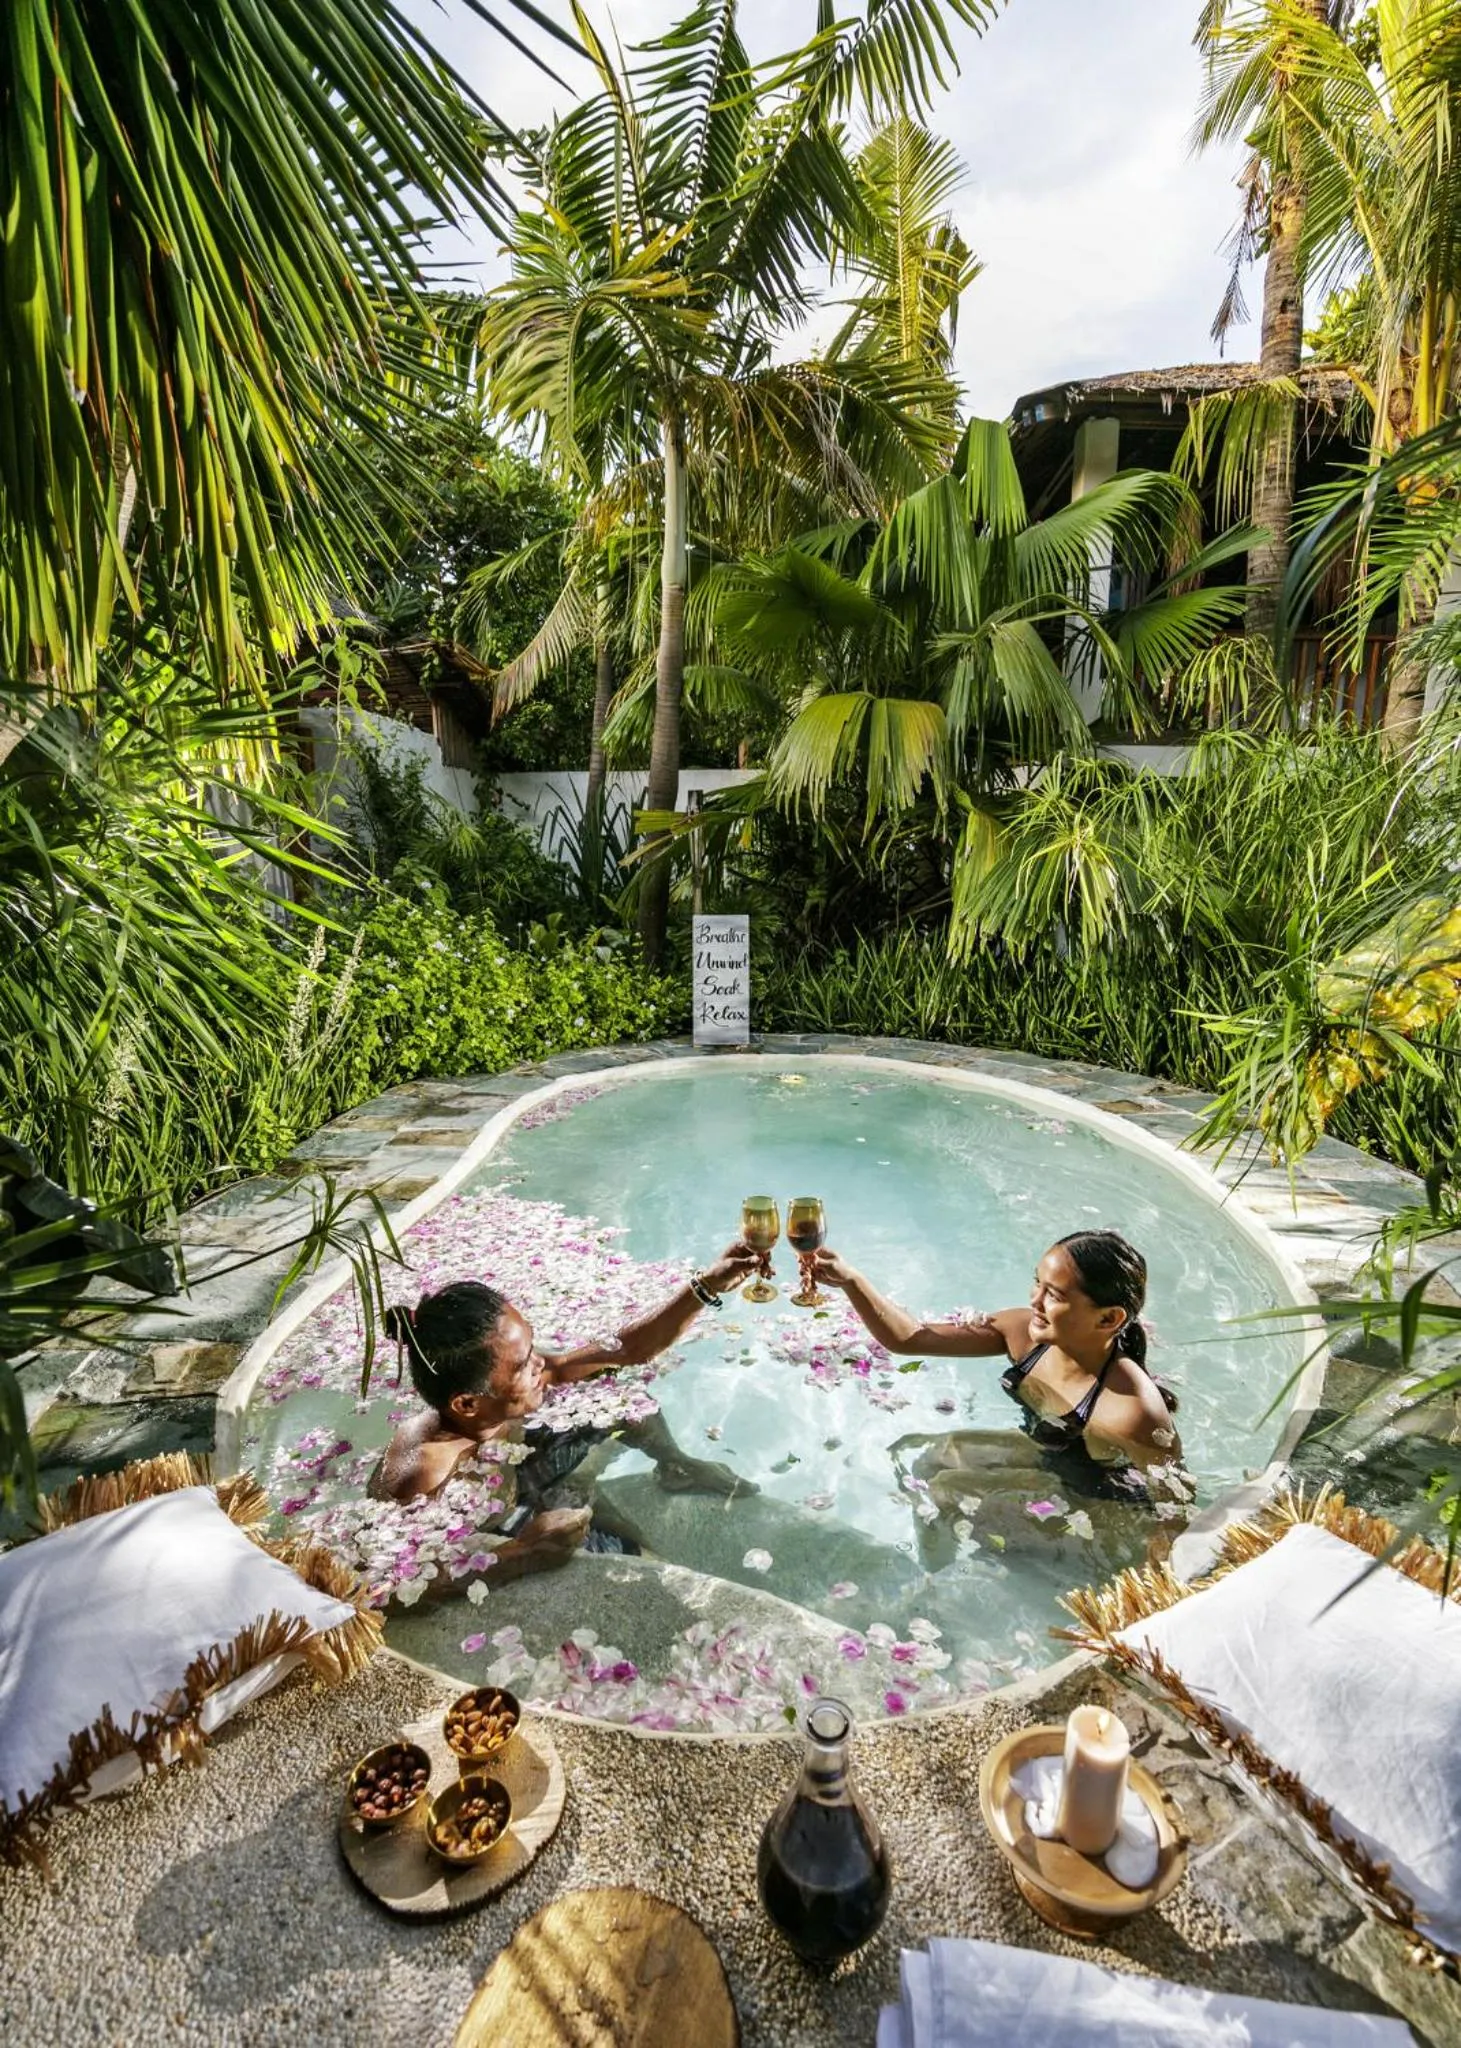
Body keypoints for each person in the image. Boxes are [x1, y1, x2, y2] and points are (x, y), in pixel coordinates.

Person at [369, 1240, 762, 1579]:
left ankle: (676, 1465)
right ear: (468, 1403)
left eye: (531, 1347)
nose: (541, 1363)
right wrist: (522, 1554)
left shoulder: (499, 1393)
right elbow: (384, 1578)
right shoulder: (425, 1471)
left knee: (616, 1396)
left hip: (522, 1463)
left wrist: (706, 1286)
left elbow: (624, 1351)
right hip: (505, 1519)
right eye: (523, 1365)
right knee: (643, 1562)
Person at [803, 1230, 1189, 1523]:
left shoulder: (1131, 1409)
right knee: (935, 1456)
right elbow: (911, 1338)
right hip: (1052, 1456)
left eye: (1054, 1295)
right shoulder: (1023, 1333)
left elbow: (1177, 1498)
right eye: (1037, 1283)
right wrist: (851, 1280)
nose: (1035, 1301)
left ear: (1108, 1319)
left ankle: (947, 1587)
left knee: (948, 1491)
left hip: (1097, 1501)